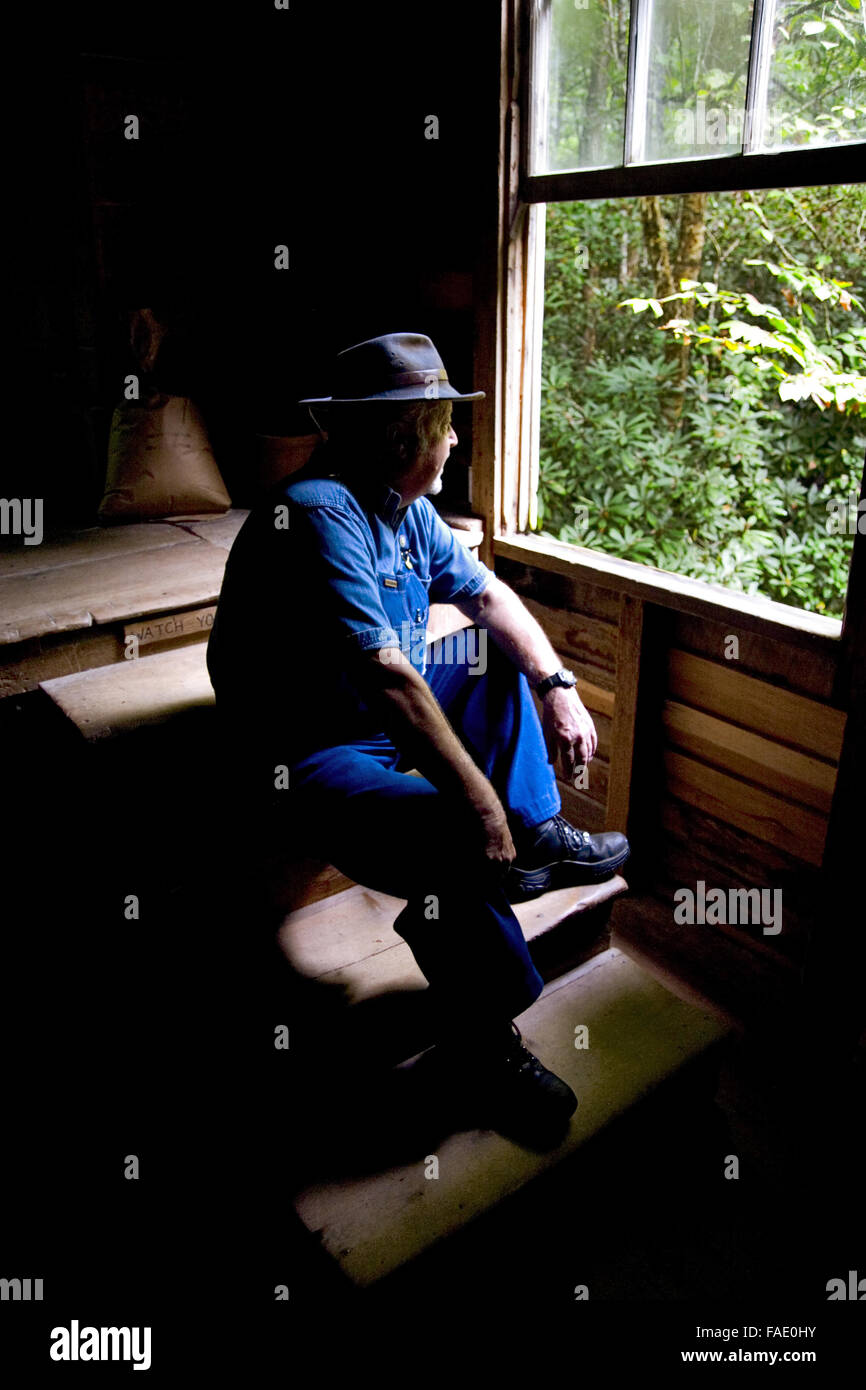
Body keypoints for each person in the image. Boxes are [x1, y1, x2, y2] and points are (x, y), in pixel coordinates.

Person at [207, 331, 629, 1143]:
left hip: (363, 714)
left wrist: (558, 685)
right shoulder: (319, 515)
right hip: (307, 750)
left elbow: (487, 597)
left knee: (492, 657)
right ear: (407, 438)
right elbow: (389, 679)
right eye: (448, 425)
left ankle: (536, 839)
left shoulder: (404, 506)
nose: (458, 439)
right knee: (453, 835)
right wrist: (478, 804)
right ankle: (482, 1042)